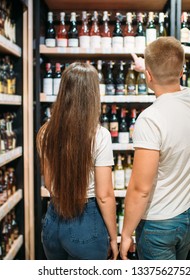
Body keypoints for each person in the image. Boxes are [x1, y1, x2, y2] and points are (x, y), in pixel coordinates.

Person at [119, 37, 190, 260]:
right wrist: (149, 67)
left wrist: (126, 233)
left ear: (148, 75)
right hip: (189, 215)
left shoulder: (150, 119)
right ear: (182, 71)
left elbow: (141, 188)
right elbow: (169, 79)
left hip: (158, 223)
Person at [37, 62, 118, 260]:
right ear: (92, 95)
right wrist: (114, 238)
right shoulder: (99, 135)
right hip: (86, 222)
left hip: (53, 219)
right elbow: (104, 195)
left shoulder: (45, 132)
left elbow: (48, 183)